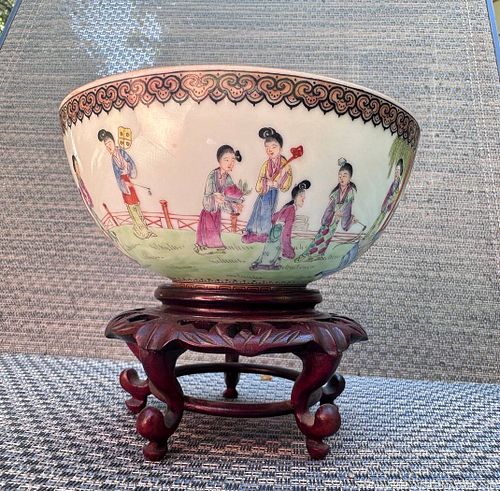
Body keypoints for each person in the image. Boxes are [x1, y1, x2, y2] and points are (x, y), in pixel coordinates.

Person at [97, 129, 155, 239]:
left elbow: (131, 164)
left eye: (109, 143)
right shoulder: (113, 159)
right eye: (106, 145)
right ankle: (142, 232)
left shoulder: (121, 152)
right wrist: (124, 185)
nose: (108, 146)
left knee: (136, 205)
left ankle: (145, 230)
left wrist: (128, 168)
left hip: (128, 181)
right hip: (124, 184)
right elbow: (117, 177)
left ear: (113, 141)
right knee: (132, 208)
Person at [298, 158, 358, 260]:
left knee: (327, 237)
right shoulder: (336, 192)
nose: (341, 178)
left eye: (344, 175)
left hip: (337, 218)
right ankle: (309, 254)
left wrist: (348, 220)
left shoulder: (350, 192)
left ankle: (317, 255)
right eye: (340, 176)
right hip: (331, 217)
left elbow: (348, 208)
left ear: (350, 177)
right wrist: (332, 214)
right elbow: (330, 206)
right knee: (322, 234)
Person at [242, 127, 292, 244]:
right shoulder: (266, 165)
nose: (270, 150)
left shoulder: (285, 164)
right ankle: (251, 232)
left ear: (280, 148)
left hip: (273, 193)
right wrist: (265, 183)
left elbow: (286, 183)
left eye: (274, 146)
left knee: (266, 211)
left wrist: (275, 183)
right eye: (267, 147)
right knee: (257, 210)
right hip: (264, 192)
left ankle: (263, 234)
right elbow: (259, 181)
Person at [250, 180, 310, 270]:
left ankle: (260, 263)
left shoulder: (287, 206)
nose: (303, 199)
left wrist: (275, 225)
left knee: (270, 248)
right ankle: (264, 265)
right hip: (280, 231)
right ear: (295, 197)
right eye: (301, 197)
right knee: (274, 249)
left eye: (304, 197)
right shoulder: (291, 209)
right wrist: (286, 242)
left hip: (275, 229)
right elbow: (287, 228)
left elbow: (275, 216)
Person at [195, 145, 243, 254]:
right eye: (226, 160)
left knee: (215, 231)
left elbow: (231, 195)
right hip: (209, 211)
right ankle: (207, 248)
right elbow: (207, 196)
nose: (230, 163)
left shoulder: (228, 178)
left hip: (217, 212)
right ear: (219, 160)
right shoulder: (212, 175)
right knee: (209, 233)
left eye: (233, 160)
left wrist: (236, 204)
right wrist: (215, 197)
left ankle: (210, 248)